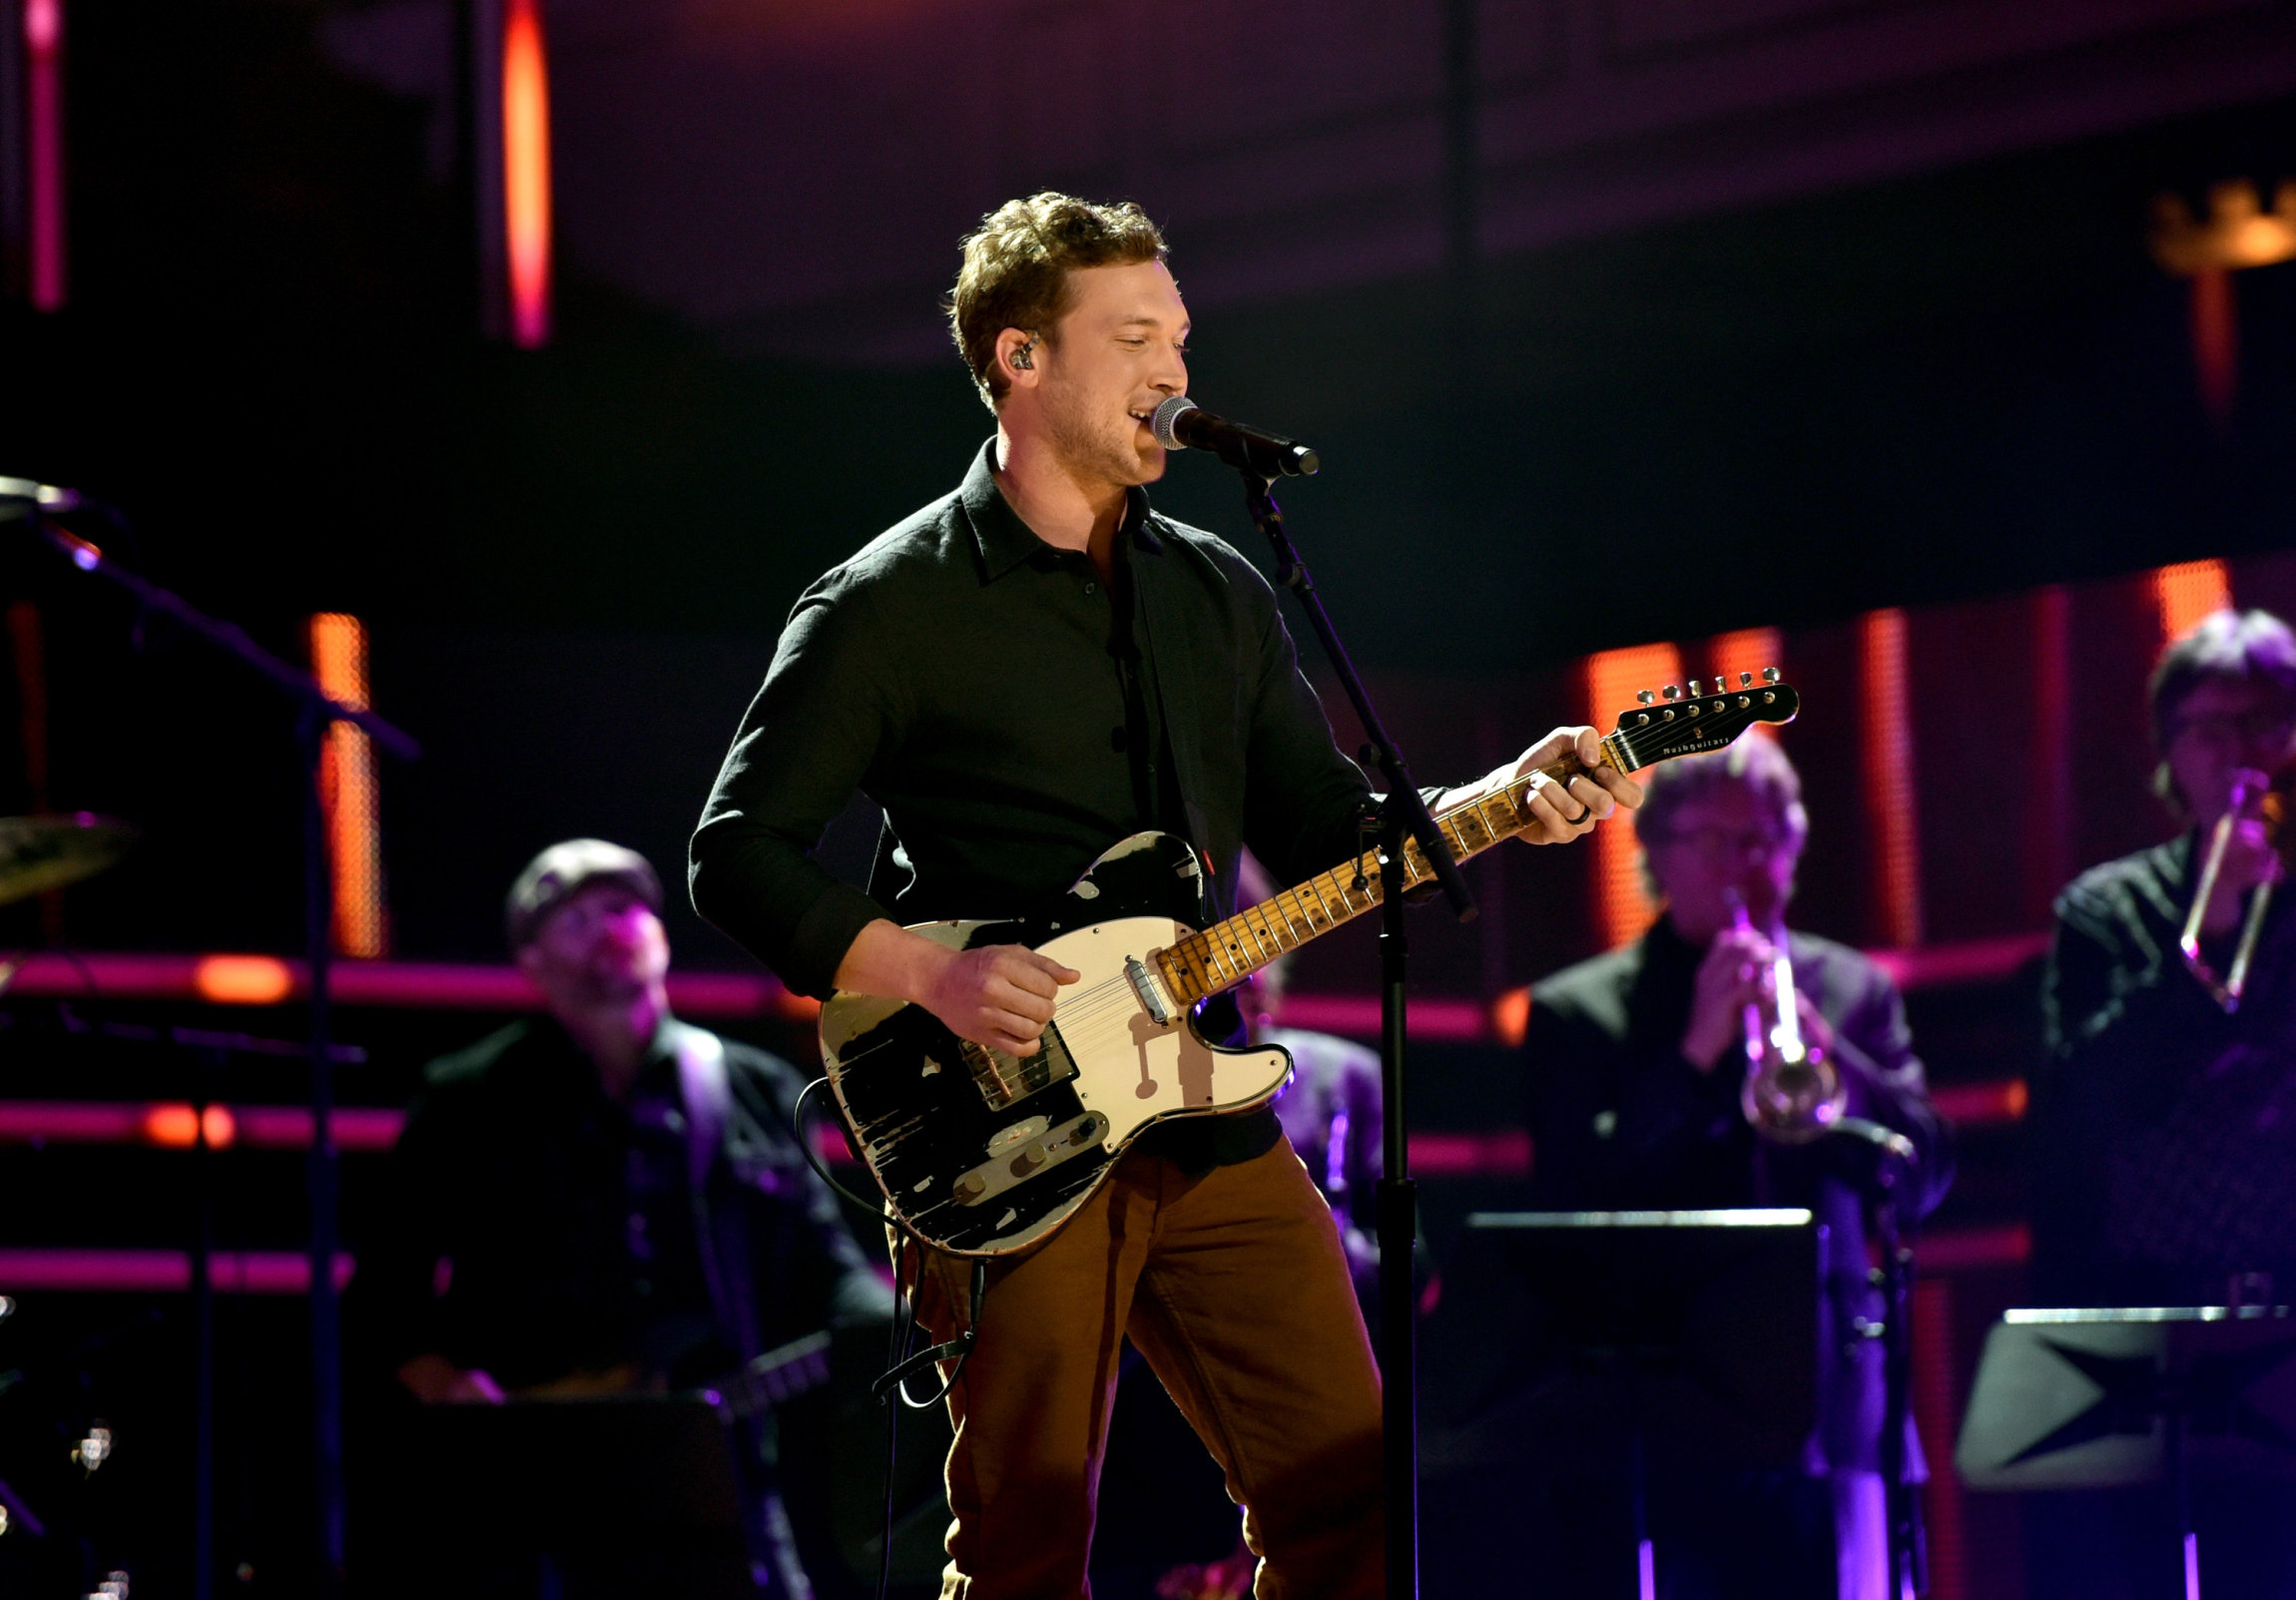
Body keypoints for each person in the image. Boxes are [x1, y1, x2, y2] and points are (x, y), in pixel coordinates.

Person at [689, 191, 1640, 1600]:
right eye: (1134, 336)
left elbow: (1329, 827)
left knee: (1351, 1486)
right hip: (996, 1121)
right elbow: (737, 851)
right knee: (1026, 1537)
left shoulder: (1217, 592)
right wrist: (930, 972)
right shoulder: (885, 604)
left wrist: (1502, 797)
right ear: (1021, 359)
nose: (1177, 373)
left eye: (1181, 337)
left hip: (1200, 1105)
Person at [351, 838, 895, 1599]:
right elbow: (382, 1296)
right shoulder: (467, 1098)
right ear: (531, 960)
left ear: (661, 935)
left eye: (621, 907)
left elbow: (826, 1268)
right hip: (529, 1482)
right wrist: (448, 1386)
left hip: (717, 1465)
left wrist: (896, 1323)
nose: (606, 925)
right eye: (573, 917)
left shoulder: (751, 1085)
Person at [1519, 737, 1951, 1600]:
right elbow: (1574, 1201)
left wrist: (1831, 1057)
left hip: (1836, 1403)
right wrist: (1693, 1055)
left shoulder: (1852, 989)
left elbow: (1925, 1173)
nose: (1745, 864)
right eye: (1717, 840)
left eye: (1765, 839)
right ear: (1657, 853)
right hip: (1664, 1405)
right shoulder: (1580, 1011)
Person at [2025, 608, 2296, 1599]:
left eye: (2263, 721)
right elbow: (2078, 1110)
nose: (2238, 756)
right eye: (2209, 729)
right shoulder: (2106, 910)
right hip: (2142, 1330)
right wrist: (2209, 927)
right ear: (2166, 751)